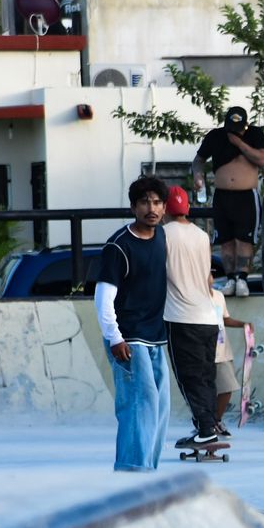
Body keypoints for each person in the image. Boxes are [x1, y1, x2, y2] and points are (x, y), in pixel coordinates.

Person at [95, 175, 171, 471]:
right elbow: (103, 298)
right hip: (128, 340)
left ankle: (147, 471)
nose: (151, 208)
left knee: (159, 408)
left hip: (155, 337)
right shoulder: (118, 246)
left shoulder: (161, 236)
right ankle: (130, 474)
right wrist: (114, 338)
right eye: (144, 202)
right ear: (133, 207)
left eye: (156, 202)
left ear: (164, 208)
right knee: (138, 407)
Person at [161, 185, 225, 446]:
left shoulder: (161, 235)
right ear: (187, 208)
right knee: (206, 375)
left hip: (180, 317)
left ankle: (205, 428)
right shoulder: (201, 235)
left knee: (189, 377)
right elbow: (208, 275)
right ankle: (211, 425)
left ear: (164, 208)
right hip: (208, 317)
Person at [193, 104, 264, 297]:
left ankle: (242, 278)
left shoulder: (255, 134)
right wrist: (197, 176)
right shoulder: (216, 136)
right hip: (222, 195)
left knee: (244, 240)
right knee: (225, 240)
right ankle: (230, 279)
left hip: (246, 195)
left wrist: (240, 144)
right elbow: (198, 160)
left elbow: (262, 159)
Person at [207, 256, 253, 426]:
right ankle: (206, 423)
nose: (209, 279)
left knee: (227, 387)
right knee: (206, 391)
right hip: (203, 350)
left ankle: (216, 421)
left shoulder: (219, 296)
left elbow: (225, 319)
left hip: (222, 351)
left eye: (210, 275)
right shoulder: (193, 298)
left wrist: (243, 324)